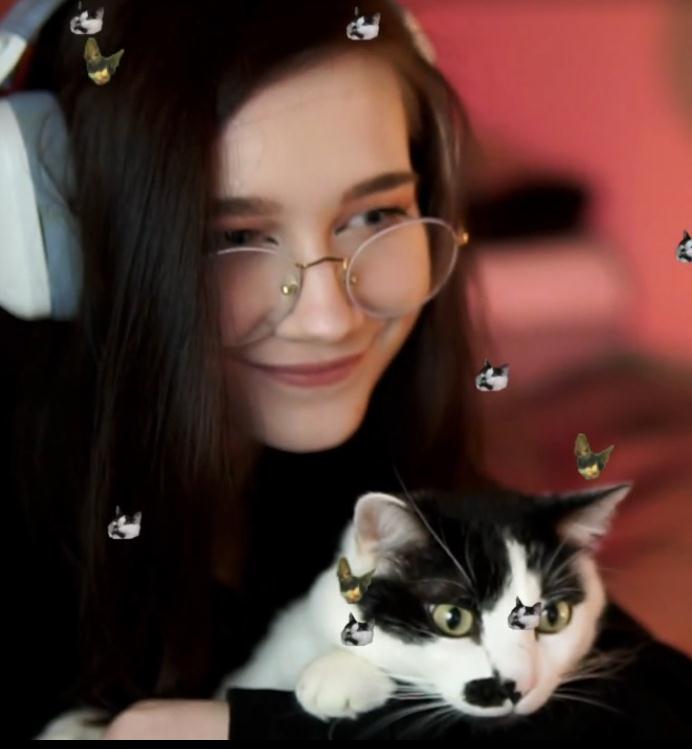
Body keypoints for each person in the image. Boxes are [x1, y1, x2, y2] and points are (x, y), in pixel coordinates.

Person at [3, 0, 690, 740]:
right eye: (234, 235)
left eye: (376, 216)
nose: (330, 317)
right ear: (58, 247)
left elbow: (660, 711)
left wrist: (253, 730)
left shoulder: (393, 492)